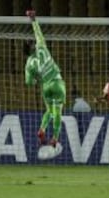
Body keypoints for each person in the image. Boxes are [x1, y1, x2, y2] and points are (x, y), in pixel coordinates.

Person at [24, 10, 66, 148]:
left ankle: (42, 129)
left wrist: (37, 79)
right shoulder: (41, 46)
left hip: (45, 86)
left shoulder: (28, 64)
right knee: (58, 111)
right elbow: (38, 33)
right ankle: (54, 138)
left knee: (49, 110)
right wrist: (33, 19)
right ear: (33, 46)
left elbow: (29, 82)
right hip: (57, 81)